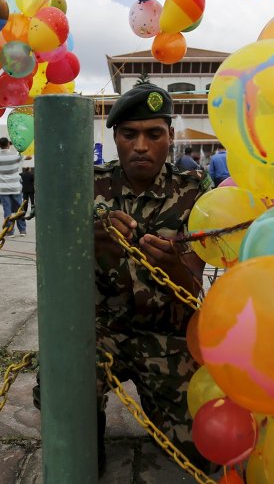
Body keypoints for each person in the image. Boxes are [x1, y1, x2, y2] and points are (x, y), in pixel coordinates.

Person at [32, 82, 212, 474]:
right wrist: (83, 244)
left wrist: (175, 267)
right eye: (130, 134)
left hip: (168, 335)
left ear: (171, 136)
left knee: (201, 453)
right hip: (100, 330)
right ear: (114, 137)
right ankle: (86, 427)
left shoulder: (195, 192)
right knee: (64, 412)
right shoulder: (85, 187)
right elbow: (50, 260)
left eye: (154, 134)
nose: (141, 146)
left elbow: (198, 284)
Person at [0, 137, 27, 236]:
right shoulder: (16, 155)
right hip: (15, 187)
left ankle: (10, 231)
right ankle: (22, 230)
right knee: (19, 210)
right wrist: (14, 146)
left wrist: (6, 146)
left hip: (3, 188)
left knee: (7, 211)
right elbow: (28, 157)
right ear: (8, 144)